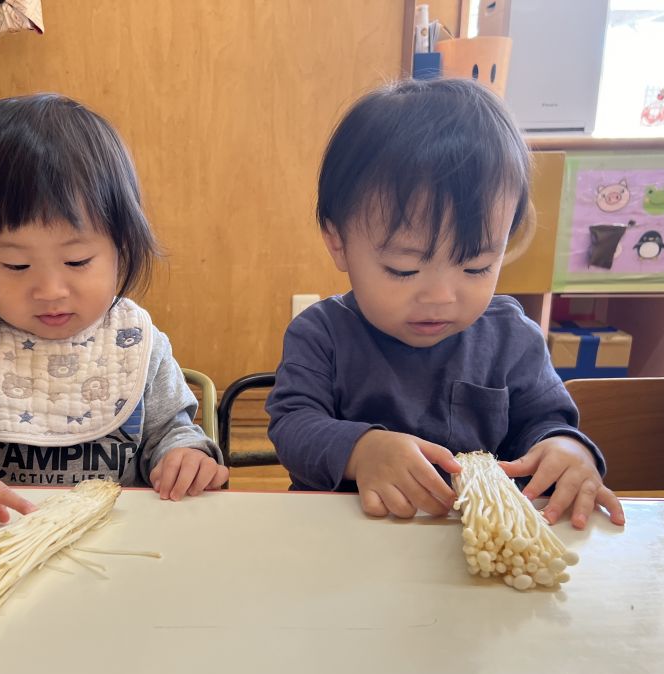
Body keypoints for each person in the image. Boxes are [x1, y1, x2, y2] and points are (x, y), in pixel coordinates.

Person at [266, 78, 624, 530]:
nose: (441, 297)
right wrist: (361, 449)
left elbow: (546, 419)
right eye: (403, 269)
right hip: (344, 543)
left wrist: (566, 449)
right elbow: (293, 427)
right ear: (338, 243)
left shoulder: (511, 336)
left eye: (475, 267)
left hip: (473, 550)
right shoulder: (321, 334)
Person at [0, 94, 227, 536]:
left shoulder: (135, 340)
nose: (50, 291)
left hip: (114, 545)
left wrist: (185, 457)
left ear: (121, 248)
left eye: (77, 261)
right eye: (15, 266)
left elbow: (172, 430)